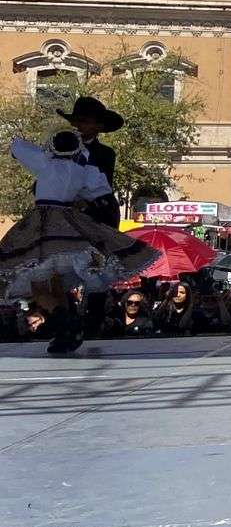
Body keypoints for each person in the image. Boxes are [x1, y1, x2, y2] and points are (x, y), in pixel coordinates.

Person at [1, 132, 158, 352]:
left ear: (53, 147)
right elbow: (101, 191)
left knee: (38, 284)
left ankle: (66, 323)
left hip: (42, 223)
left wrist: (17, 143)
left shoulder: (45, 162)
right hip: (70, 222)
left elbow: (19, 149)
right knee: (55, 282)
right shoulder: (84, 170)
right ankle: (65, 332)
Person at [58, 96, 123, 227]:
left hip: (92, 214)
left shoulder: (105, 153)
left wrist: (85, 205)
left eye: (84, 122)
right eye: (75, 121)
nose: (77, 126)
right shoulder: (59, 146)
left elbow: (103, 189)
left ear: (98, 127)